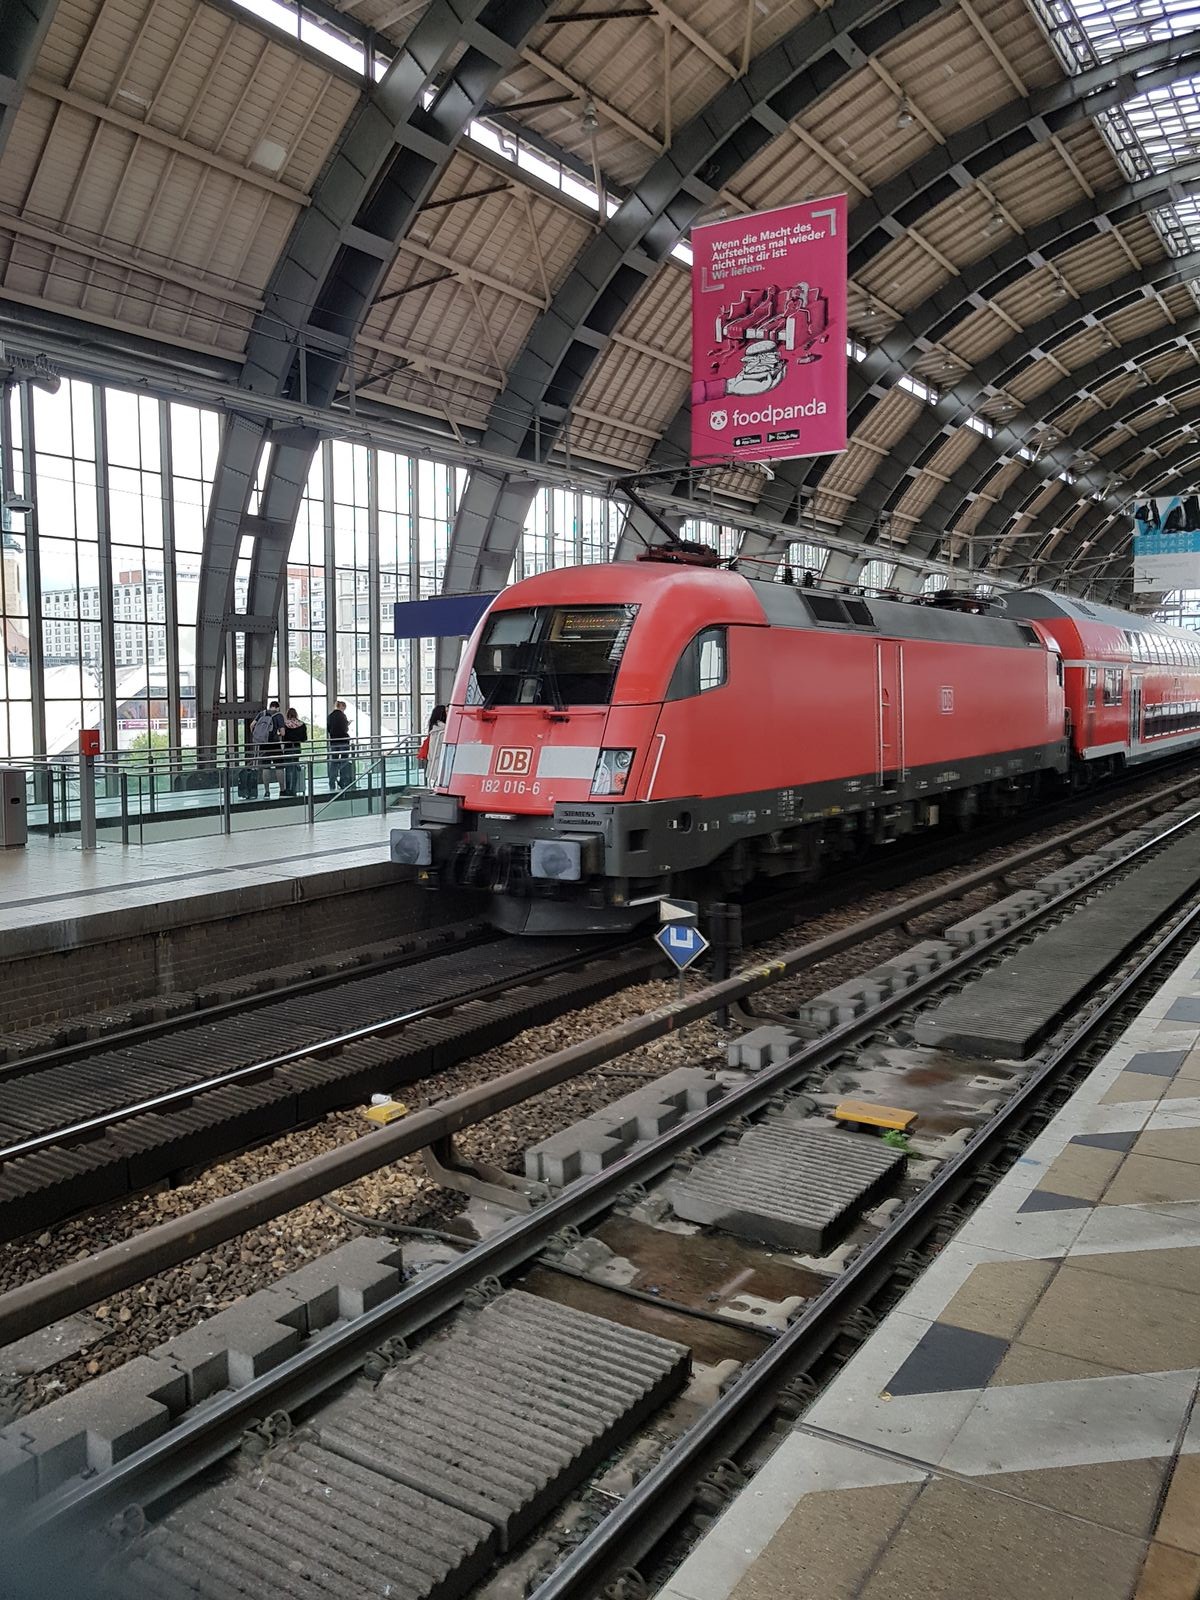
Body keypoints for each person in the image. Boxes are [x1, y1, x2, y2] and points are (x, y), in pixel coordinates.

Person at [249, 699, 285, 796]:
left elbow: (252, 725)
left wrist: (258, 736)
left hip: (263, 744)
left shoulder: (262, 713)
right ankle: (282, 790)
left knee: (266, 767)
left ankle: (267, 791)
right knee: (279, 767)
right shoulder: (278, 715)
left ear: (270, 706)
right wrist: (277, 734)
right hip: (275, 744)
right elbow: (283, 733)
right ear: (277, 707)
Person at [327, 699, 352, 791]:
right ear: (342, 707)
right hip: (343, 741)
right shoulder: (342, 716)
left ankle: (332, 782)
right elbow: (345, 729)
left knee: (334, 761)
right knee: (344, 760)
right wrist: (347, 724)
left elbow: (329, 729)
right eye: (344, 708)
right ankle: (343, 781)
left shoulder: (330, 716)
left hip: (334, 741)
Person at [281, 707, 307, 796]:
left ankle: (288, 789)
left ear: (288, 715)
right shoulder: (301, 724)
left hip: (288, 748)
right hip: (297, 748)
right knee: (295, 767)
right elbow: (304, 738)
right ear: (296, 714)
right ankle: (294, 789)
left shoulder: (285, 724)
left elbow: (283, 738)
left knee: (288, 769)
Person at [420, 704, 447, 786]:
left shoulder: (434, 729)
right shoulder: (442, 730)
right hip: (439, 762)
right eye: (446, 711)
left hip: (433, 763)